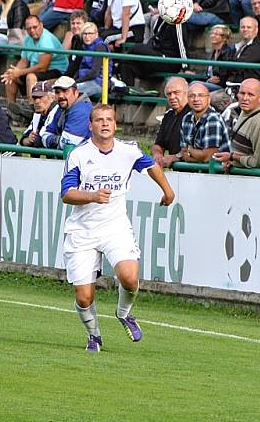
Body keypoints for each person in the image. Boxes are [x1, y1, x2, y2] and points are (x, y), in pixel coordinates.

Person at [61, 103, 174, 352]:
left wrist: (167, 190)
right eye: (99, 120)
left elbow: (150, 165)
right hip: (82, 231)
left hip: (115, 227)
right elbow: (67, 194)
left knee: (130, 278)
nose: (104, 123)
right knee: (84, 297)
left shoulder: (127, 151)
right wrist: (91, 197)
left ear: (115, 124)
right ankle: (94, 335)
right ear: (90, 125)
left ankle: (123, 314)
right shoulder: (78, 154)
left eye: (109, 119)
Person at [1, 15, 67, 102]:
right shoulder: (28, 40)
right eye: (29, 28)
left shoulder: (46, 40)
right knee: (10, 76)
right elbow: (24, 61)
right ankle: (11, 106)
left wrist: (19, 72)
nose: (32, 30)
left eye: (35, 27)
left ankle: (32, 106)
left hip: (56, 71)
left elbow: (42, 67)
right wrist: (14, 72)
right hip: (38, 70)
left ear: (41, 25)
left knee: (30, 77)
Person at [213, 78, 260, 170]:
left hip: (252, 180)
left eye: (250, 95)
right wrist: (233, 162)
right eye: (242, 93)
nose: (245, 98)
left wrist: (233, 157)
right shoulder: (245, 111)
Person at [177, 82, 230, 162]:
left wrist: (190, 150)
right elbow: (184, 154)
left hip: (216, 172)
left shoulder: (213, 119)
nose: (196, 99)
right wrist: (197, 156)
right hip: (195, 171)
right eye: (192, 96)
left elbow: (209, 158)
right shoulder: (186, 119)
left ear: (208, 99)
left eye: (201, 95)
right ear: (187, 99)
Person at [40, 76, 93, 149]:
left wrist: (50, 140)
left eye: (65, 91)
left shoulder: (82, 110)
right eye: (57, 92)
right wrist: (57, 140)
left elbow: (68, 144)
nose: (61, 96)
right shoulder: (61, 107)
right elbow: (46, 133)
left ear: (76, 93)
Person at [151, 77, 191, 168]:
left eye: (176, 93)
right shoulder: (168, 115)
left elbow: (197, 147)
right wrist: (157, 154)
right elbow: (158, 144)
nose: (172, 97)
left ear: (186, 93)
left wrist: (176, 157)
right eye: (169, 94)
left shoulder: (193, 114)